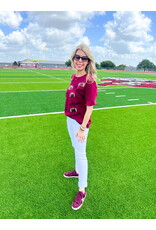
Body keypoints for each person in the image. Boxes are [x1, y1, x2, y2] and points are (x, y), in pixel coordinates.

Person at [64, 43, 98, 210]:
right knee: (75, 147)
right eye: (77, 57)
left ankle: (82, 189)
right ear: (73, 59)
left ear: (88, 61)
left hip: (80, 123)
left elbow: (90, 107)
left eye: (83, 58)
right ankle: (77, 171)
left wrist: (83, 127)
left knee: (81, 153)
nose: (79, 60)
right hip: (70, 119)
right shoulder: (73, 76)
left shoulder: (89, 81)